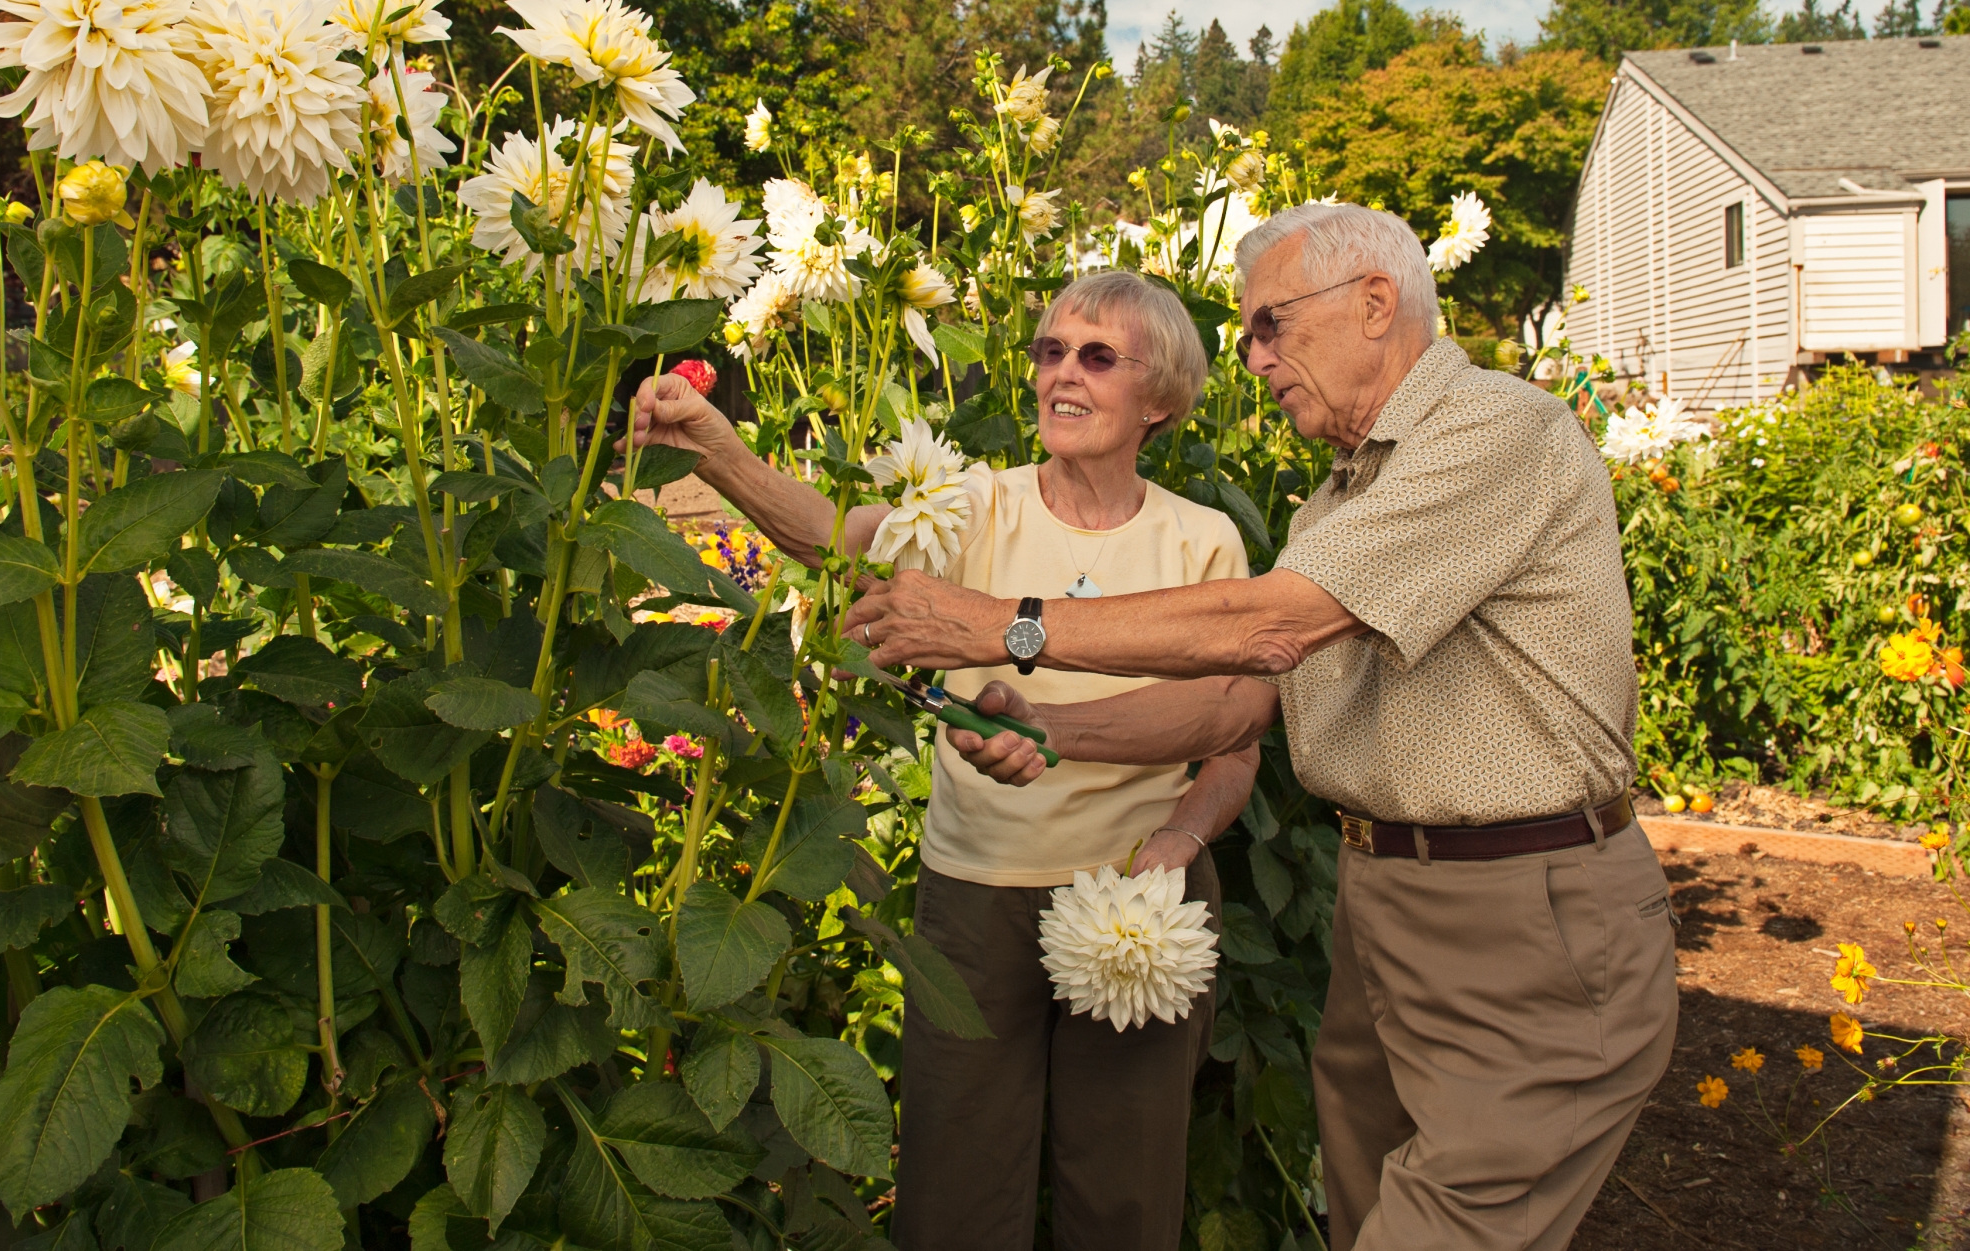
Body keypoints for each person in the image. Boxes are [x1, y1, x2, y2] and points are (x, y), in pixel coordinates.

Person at [845, 201, 1678, 1251]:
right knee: (1365, 1211)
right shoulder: (1338, 500)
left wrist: (1001, 627)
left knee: (1447, 1224)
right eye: (1247, 333)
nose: (1251, 357)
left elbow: (1266, 628)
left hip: (1521, 905)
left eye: (1270, 324)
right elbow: (1241, 704)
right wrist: (1048, 727)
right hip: (1386, 899)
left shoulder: (1495, 433)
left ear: (1374, 302)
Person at [630, 269, 1257, 1251]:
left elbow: (1233, 739)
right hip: (977, 898)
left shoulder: (1203, 539)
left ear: (1160, 398)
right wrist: (715, 447)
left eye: (1098, 357)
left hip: (1142, 902)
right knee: (956, 1184)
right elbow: (833, 541)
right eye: (1050, 351)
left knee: (1125, 1192)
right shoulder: (975, 505)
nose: (1063, 373)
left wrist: (1182, 835)